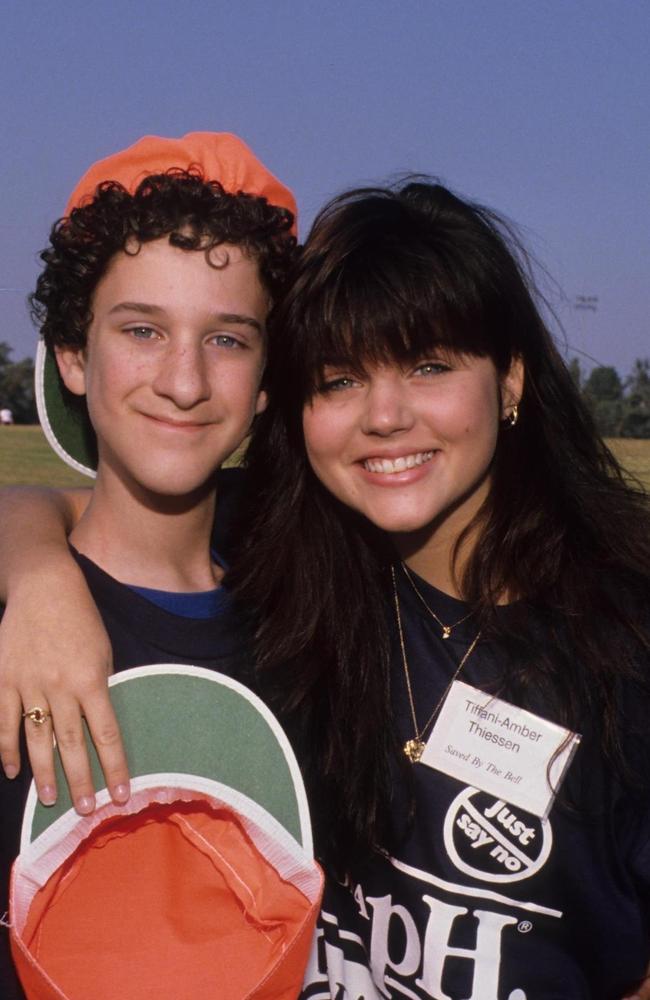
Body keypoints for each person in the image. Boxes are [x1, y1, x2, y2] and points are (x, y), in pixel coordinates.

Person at [1, 179, 650, 998]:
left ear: (511, 381)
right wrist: (38, 576)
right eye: (340, 379)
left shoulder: (622, 651)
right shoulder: (302, 568)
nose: (384, 416)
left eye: (428, 365)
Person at [0, 130, 298, 998]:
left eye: (229, 341)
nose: (184, 382)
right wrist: (40, 572)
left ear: (269, 378)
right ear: (72, 356)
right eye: (142, 329)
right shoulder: (19, 633)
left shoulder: (314, 604)